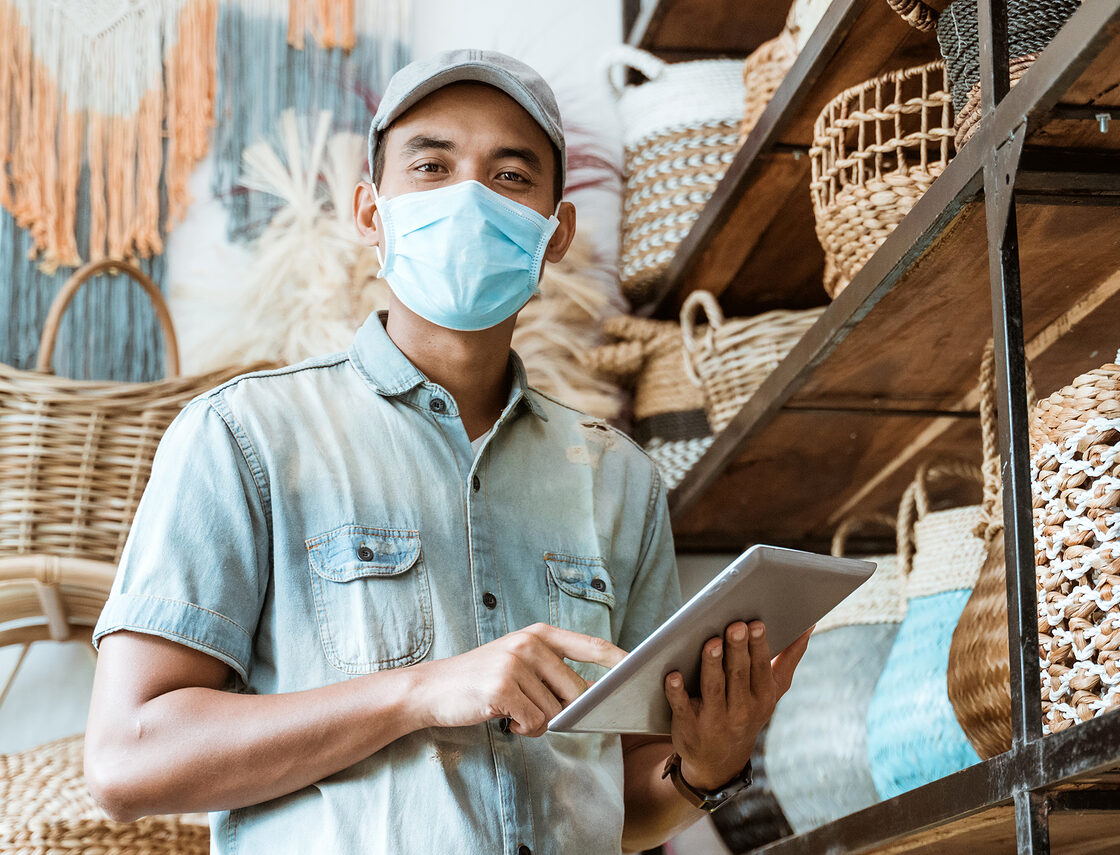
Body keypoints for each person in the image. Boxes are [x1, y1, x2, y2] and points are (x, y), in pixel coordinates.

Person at [84, 49, 808, 854]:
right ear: (370, 213)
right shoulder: (244, 435)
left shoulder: (620, 477)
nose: (468, 197)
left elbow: (621, 803)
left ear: (554, 232)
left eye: (509, 176)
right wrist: (421, 690)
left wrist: (706, 765)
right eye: (431, 165)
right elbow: (128, 758)